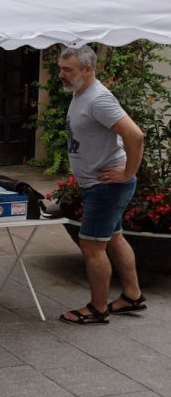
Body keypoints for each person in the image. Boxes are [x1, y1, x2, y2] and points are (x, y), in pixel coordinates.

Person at [57, 46, 146, 325]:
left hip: (105, 186)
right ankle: (132, 295)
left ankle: (97, 308)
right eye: (61, 69)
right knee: (114, 238)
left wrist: (128, 172)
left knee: (91, 245)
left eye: (67, 70)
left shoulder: (98, 99)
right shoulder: (80, 93)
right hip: (99, 184)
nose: (62, 75)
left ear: (87, 69)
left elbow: (135, 136)